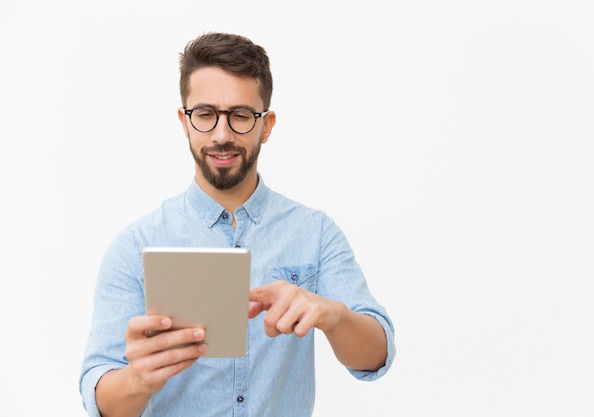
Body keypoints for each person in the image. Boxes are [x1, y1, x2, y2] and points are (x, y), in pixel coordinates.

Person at [79, 31, 396, 417]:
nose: (222, 135)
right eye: (206, 114)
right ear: (185, 121)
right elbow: (100, 398)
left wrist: (335, 315)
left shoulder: (315, 233)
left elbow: (376, 356)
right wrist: (138, 380)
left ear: (267, 124)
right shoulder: (135, 246)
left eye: (241, 116)